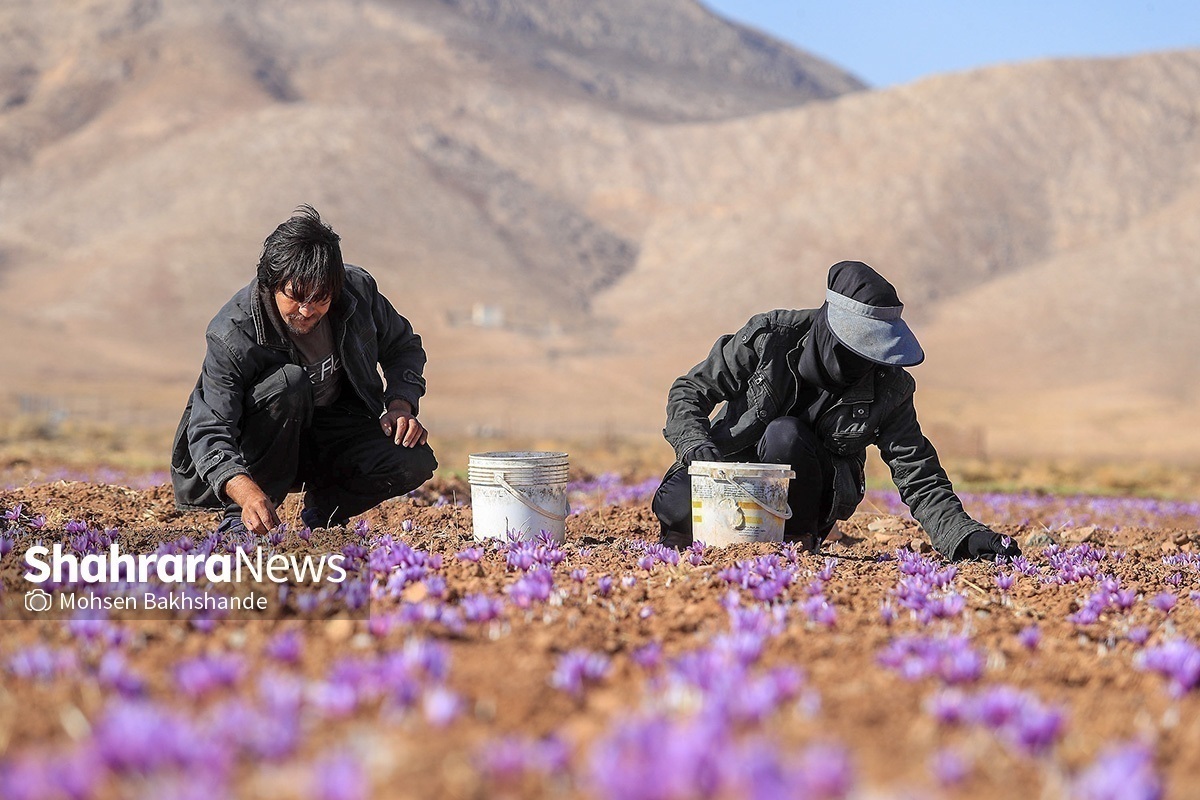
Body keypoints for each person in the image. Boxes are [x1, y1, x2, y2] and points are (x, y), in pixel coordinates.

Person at [653, 260, 1019, 562]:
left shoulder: (889, 386)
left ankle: (794, 546)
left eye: (873, 354)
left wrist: (964, 537)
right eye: (855, 350)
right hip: (730, 476)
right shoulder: (769, 338)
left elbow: (917, 471)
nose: (863, 364)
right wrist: (694, 445)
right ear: (828, 328)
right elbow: (691, 390)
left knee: (785, 434)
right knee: (675, 504)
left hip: (806, 503)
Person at [171, 205, 437, 534]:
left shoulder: (357, 292)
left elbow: (403, 346)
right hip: (261, 451)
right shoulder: (233, 333)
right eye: (296, 296)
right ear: (271, 282)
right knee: (289, 383)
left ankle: (323, 514)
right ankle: (243, 523)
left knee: (414, 459)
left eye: (321, 298)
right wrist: (247, 493)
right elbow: (209, 431)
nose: (307, 310)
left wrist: (400, 405)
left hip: (332, 435)